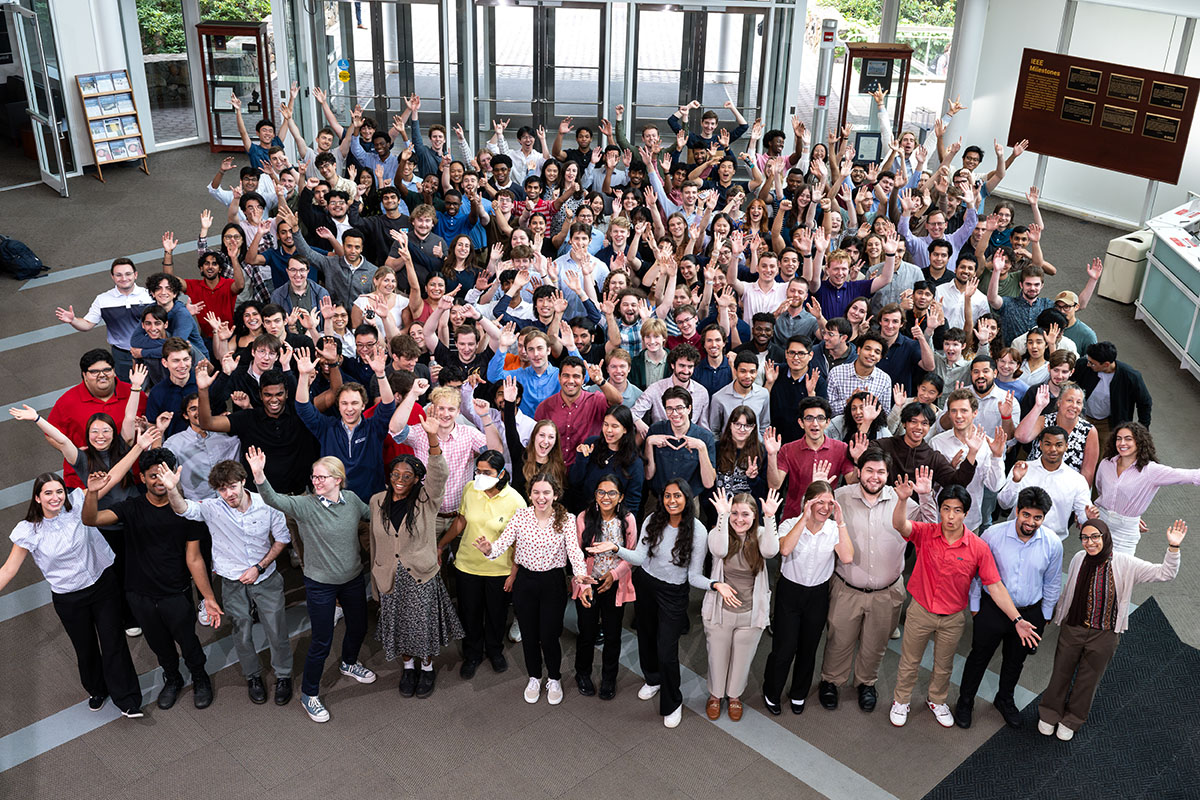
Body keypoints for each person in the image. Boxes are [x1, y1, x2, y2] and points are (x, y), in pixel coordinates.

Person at [889, 480, 1041, 728]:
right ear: (940, 511)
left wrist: (1017, 619)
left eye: (957, 510)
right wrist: (903, 499)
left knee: (944, 665)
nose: (951, 516)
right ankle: (901, 700)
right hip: (920, 611)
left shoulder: (978, 547)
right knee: (909, 661)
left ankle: (937, 700)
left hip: (952, 618)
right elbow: (899, 525)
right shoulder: (926, 533)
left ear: (966, 513)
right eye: (946, 508)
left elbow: (994, 585)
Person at [81, 443, 222, 712]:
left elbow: (194, 558)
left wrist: (208, 597)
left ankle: (200, 677)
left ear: (175, 474)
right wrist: (92, 493)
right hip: (139, 594)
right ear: (143, 478)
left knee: (189, 641)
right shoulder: (130, 507)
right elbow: (90, 519)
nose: (159, 480)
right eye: (153, 475)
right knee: (159, 644)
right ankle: (173, 678)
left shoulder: (188, 513)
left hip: (175, 592)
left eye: (164, 473)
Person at [247, 448, 376, 723]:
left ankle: (349, 662)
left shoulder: (351, 500)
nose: (316, 482)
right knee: (322, 640)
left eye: (322, 477)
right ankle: (309, 695)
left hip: (352, 579)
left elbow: (372, 515)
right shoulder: (305, 506)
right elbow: (272, 498)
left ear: (338, 479)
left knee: (358, 626)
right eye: (314, 477)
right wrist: (258, 474)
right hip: (321, 585)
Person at [0, 473, 144, 718]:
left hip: (102, 585)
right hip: (69, 598)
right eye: (48, 493)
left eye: (59, 491)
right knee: (85, 648)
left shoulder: (78, 502)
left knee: (113, 643)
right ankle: (97, 689)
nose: (55, 497)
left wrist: (139, 447)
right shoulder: (29, 531)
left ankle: (128, 699)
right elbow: (8, 569)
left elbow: (111, 478)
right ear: (37, 498)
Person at [1037, 518, 1184, 741]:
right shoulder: (1079, 558)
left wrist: (1173, 547)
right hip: (1074, 628)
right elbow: (1069, 592)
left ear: (1105, 537)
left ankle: (1073, 719)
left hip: (1104, 634)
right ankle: (1050, 712)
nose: (1090, 542)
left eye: (1095, 536)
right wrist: (1057, 615)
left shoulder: (1126, 563)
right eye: (1085, 538)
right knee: (1060, 672)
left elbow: (1165, 573)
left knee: (1088, 679)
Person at [586, 480, 717, 728]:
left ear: (687, 499)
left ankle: (673, 701)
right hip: (646, 584)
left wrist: (714, 584)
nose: (672, 501)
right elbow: (639, 558)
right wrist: (617, 548)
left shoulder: (698, 532)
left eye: (677, 496)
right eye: (667, 496)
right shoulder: (653, 520)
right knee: (645, 637)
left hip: (674, 592)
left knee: (667, 650)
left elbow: (694, 576)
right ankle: (653, 679)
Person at [162, 459, 294, 706]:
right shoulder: (212, 508)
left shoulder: (267, 504)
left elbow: (282, 539)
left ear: (243, 481)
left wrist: (259, 567)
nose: (229, 494)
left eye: (232, 486)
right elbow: (182, 509)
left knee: (277, 630)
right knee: (241, 633)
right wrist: (172, 489)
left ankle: (284, 675)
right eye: (222, 489)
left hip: (265, 578)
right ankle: (253, 676)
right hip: (231, 582)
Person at [819, 449, 937, 712]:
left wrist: (926, 494)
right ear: (859, 471)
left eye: (881, 472)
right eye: (869, 470)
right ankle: (831, 681)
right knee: (839, 639)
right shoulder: (840, 498)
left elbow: (932, 530)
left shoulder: (903, 500)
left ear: (888, 474)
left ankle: (866, 682)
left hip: (888, 591)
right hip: (846, 587)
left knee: (876, 642)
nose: (874, 477)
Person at [473, 473, 592, 706]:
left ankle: (554, 678)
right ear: (529, 494)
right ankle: (535, 677)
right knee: (529, 635)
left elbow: (575, 553)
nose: (541, 497)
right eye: (536, 492)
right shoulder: (520, 516)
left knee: (549, 636)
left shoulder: (566, 519)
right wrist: (489, 549)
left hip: (553, 583)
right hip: (525, 582)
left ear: (555, 494)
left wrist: (581, 577)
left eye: (546, 492)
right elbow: (501, 545)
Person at [954, 486, 1062, 729]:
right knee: (978, 658)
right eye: (1026, 515)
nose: (1031, 522)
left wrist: (1045, 614)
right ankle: (965, 701)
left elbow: (1053, 582)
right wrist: (975, 607)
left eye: (1037, 517)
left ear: (1044, 517)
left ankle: (1004, 699)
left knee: (1015, 661)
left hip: (1030, 612)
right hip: (992, 610)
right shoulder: (992, 535)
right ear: (1016, 511)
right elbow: (975, 574)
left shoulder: (1053, 544)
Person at [369, 443, 462, 699]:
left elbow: (439, 474)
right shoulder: (377, 501)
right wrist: (376, 581)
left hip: (420, 576)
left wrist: (433, 440)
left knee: (422, 626)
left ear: (418, 480)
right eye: (395, 474)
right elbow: (375, 544)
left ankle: (428, 668)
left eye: (407, 476)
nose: (400, 480)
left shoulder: (426, 500)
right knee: (399, 626)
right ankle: (409, 668)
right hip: (389, 575)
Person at [761, 479, 853, 715]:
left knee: (808, 648)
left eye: (829, 503)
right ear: (807, 503)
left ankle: (798, 693)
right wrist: (803, 518)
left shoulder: (834, 529)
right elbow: (784, 550)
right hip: (789, 593)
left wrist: (841, 522)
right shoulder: (790, 524)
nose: (825, 508)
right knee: (784, 647)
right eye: (818, 502)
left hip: (818, 595)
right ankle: (772, 691)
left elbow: (847, 557)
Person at [704, 487, 780, 720]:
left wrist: (770, 517)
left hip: (750, 613)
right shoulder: (719, 533)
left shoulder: (760, 535)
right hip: (721, 611)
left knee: (742, 659)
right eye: (735, 513)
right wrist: (722, 516)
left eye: (745, 514)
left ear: (754, 516)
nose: (739, 519)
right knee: (717, 657)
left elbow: (771, 551)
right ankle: (716, 695)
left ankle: (734, 696)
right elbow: (717, 550)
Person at [573, 477, 638, 699]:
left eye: (611, 493)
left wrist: (614, 575)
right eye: (601, 492)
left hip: (614, 584)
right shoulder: (584, 517)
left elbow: (632, 555)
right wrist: (583, 585)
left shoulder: (628, 520)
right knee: (587, 633)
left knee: (612, 635)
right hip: (588, 584)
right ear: (595, 495)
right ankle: (582, 673)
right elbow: (576, 556)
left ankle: (609, 679)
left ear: (620, 497)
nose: (606, 497)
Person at [1093, 422, 1200, 555]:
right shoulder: (1106, 463)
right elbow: (1101, 491)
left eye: (1128, 439)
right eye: (1119, 439)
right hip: (1100, 524)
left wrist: (1131, 515)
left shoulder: (1151, 470)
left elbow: (1190, 476)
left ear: (1139, 442)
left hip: (1125, 532)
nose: (1122, 443)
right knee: (1093, 569)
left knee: (1119, 572)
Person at [47, 350, 146, 489]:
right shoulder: (67, 402)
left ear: (114, 371)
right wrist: (72, 451)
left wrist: (145, 427)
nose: (102, 375)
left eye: (107, 370)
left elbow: (147, 425)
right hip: (83, 482)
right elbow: (50, 434)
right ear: (84, 375)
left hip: (130, 479)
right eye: (94, 372)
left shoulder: (135, 395)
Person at [54, 259, 153, 381]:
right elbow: (87, 324)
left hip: (151, 350)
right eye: (118, 275)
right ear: (112, 277)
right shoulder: (103, 300)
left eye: (128, 274)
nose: (124, 278)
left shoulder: (150, 295)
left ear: (135, 275)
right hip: (122, 355)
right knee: (127, 389)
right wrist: (73, 320)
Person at [766, 396, 857, 521]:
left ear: (828, 422)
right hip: (794, 518)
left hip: (826, 518)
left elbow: (853, 482)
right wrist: (771, 455)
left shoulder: (841, 448)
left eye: (820, 418)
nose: (815, 423)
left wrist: (858, 461)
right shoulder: (788, 449)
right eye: (809, 418)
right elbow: (774, 485)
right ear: (801, 423)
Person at [996, 427, 1091, 540]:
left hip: (1051, 542)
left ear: (1066, 446)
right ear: (1040, 445)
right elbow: (1004, 504)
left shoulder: (1077, 480)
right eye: (1048, 444)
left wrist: (1090, 517)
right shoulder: (1022, 469)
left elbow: (1083, 517)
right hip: (1015, 537)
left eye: (1059, 445)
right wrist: (1015, 482)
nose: (1053, 449)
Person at [1073, 341, 1153, 449]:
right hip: (1082, 418)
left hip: (1109, 424)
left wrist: (1142, 430)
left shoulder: (1130, 376)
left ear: (1106, 364)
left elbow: (1144, 402)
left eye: (1092, 363)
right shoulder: (1083, 365)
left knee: (1105, 455)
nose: (1088, 364)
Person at [567, 404, 645, 515]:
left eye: (614, 426)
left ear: (625, 430)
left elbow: (632, 503)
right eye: (605, 424)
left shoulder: (634, 462)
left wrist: (624, 527)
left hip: (614, 521)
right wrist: (581, 458)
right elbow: (574, 482)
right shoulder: (591, 444)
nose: (608, 430)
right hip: (583, 514)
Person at [643, 387, 717, 502]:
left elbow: (708, 483)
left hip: (690, 501)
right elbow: (648, 475)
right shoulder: (656, 430)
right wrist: (648, 443)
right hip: (659, 498)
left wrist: (701, 448)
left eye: (679, 408)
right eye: (669, 409)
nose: (674, 413)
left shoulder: (705, 437)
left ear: (689, 408)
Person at [1017, 382, 1099, 485]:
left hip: (1067, 488)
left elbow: (1088, 471)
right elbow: (1021, 437)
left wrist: (1080, 497)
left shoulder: (1089, 431)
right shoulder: (1044, 420)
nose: (1074, 406)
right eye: (1069, 400)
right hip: (1035, 482)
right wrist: (1038, 407)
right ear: (1059, 402)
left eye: (1078, 402)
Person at [826, 332, 892, 416]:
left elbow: (885, 414)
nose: (872, 354)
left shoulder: (884, 379)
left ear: (880, 358)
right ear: (858, 350)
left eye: (877, 352)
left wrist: (870, 407)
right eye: (867, 349)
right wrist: (849, 402)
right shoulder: (836, 373)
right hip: (839, 426)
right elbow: (828, 410)